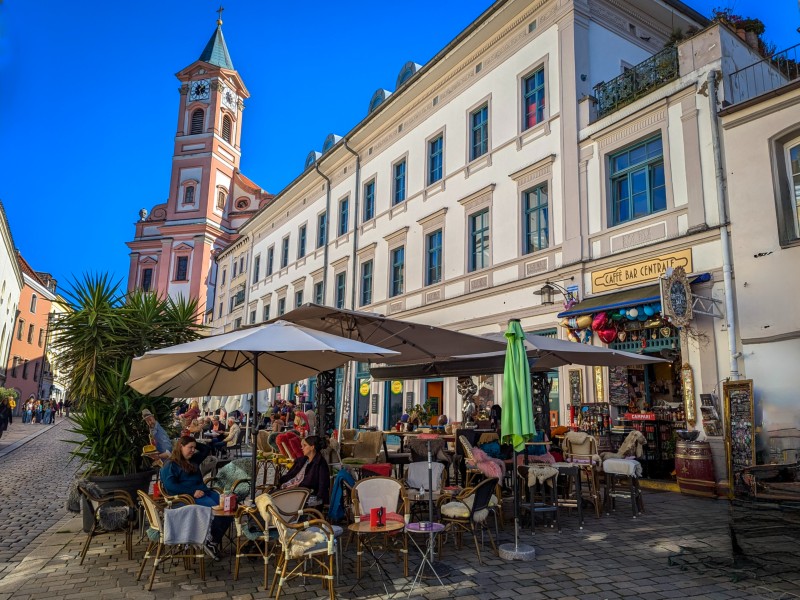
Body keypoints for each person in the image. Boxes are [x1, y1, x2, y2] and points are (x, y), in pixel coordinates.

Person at [160, 436, 230, 561]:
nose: (193, 450)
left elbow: (206, 449)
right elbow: (170, 486)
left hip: (204, 492)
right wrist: (192, 492)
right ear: (180, 446)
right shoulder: (170, 464)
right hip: (186, 498)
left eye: (194, 447)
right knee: (217, 512)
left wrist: (192, 442)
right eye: (189, 447)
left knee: (228, 508)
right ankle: (208, 541)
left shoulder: (194, 459)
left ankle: (212, 541)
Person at [277, 435, 330, 504]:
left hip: (302, 495)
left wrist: (296, 487)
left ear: (312, 447)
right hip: (288, 490)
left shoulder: (320, 464)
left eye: (304, 445)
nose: (302, 448)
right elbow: (289, 475)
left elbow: (322, 486)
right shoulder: (301, 461)